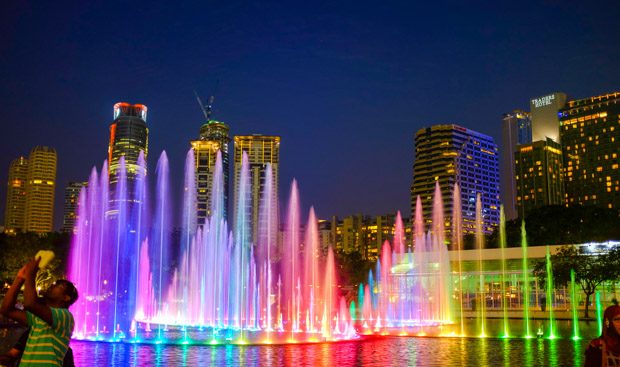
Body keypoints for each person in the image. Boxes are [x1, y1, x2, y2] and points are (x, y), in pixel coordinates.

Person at [0, 258, 78, 367]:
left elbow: (30, 304)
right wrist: (20, 278)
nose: (52, 284)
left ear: (66, 298)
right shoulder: (38, 318)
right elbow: (6, 310)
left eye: (58, 285)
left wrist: (31, 274)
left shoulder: (65, 316)